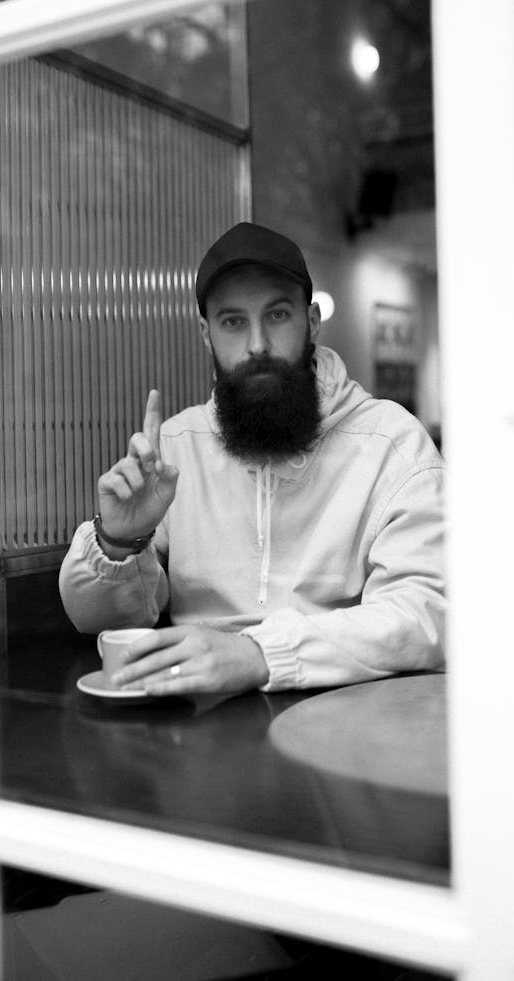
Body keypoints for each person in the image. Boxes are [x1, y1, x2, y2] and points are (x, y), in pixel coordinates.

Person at [59, 221, 446, 696]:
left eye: (278, 315)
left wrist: (261, 654)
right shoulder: (177, 446)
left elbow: (426, 611)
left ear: (312, 322)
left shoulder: (392, 443)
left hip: (347, 717)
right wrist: (119, 540)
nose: (257, 344)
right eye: (233, 322)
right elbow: (96, 621)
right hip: (198, 721)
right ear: (206, 334)